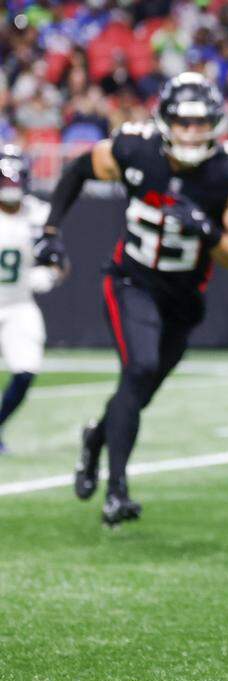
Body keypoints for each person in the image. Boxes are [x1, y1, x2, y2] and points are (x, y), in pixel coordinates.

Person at [43, 72, 228, 525]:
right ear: (164, 121)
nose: (190, 132)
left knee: (138, 391)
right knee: (138, 368)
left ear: (215, 125)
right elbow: (78, 169)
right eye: (182, 121)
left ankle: (95, 439)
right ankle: (116, 491)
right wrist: (50, 230)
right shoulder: (135, 149)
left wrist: (208, 230)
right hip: (131, 281)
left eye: (200, 123)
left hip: (183, 300)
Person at [0, 146, 67, 453]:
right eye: (5, 182)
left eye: (14, 181)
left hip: (19, 303)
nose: (10, 188)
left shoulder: (38, 214)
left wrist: (50, 275)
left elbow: (61, 261)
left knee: (26, 370)